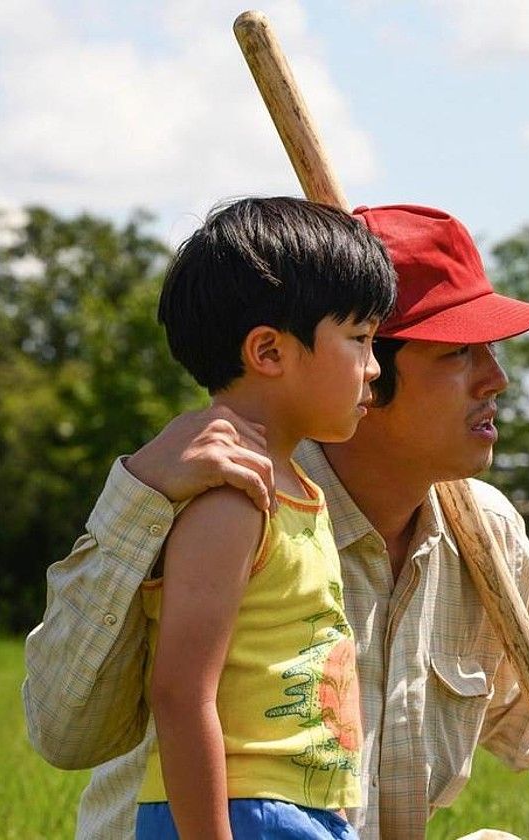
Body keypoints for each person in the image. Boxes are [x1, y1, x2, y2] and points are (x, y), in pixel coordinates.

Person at [23, 203, 529, 839]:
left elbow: (523, 687)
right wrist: (138, 495)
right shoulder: (229, 495)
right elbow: (64, 728)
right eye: (459, 353)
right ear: (371, 367)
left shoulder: (487, 535)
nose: (496, 379)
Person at [132, 196, 396, 839]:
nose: (375, 367)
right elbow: (179, 692)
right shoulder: (230, 501)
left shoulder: (298, 489)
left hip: (294, 813)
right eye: (360, 339)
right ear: (269, 352)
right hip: (242, 812)